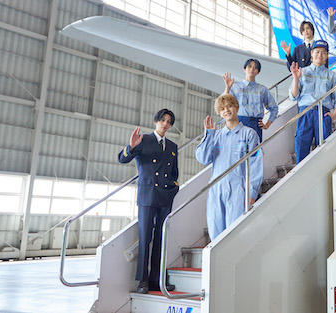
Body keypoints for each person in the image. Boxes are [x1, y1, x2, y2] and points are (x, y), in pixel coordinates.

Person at [119, 109, 179, 294]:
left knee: (161, 237)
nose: (165, 124)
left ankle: (157, 279)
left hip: (165, 196)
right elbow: (122, 159)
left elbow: (174, 172)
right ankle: (143, 280)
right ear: (155, 121)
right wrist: (130, 147)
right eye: (162, 120)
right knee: (145, 237)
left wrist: (173, 188)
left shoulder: (172, 146)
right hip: (147, 195)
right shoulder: (143, 140)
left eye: (169, 122)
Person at [195, 94, 263, 241]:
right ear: (219, 113)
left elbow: (256, 163)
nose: (226, 110)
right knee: (216, 234)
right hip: (216, 189)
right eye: (222, 109)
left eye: (229, 106)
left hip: (238, 189)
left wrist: (252, 192)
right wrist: (208, 135)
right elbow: (203, 158)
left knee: (235, 234)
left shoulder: (249, 134)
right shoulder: (215, 136)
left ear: (237, 108)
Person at [289, 39, 336, 163]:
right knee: (301, 148)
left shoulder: (332, 76)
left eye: (323, 52)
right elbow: (293, 96)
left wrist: (332, 117)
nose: (320, 55)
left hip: (323, 114)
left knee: (324, 152)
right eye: (317, 52)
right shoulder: (302, 72)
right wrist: (296, 79)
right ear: (312, 53)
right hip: (305, 113)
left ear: (327, 56)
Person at [222, 58, 278, 142]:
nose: (252, 69)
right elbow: (223, 103)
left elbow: (274, 108)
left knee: (255, 149)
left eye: (255, 68)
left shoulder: (262, 89)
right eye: (249, 66)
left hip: (256, 123)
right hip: (239, 122)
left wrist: (267, 124)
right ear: (244, 69)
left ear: (258, 72)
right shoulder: (235, 87)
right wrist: (227, 88)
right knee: (238, 148)